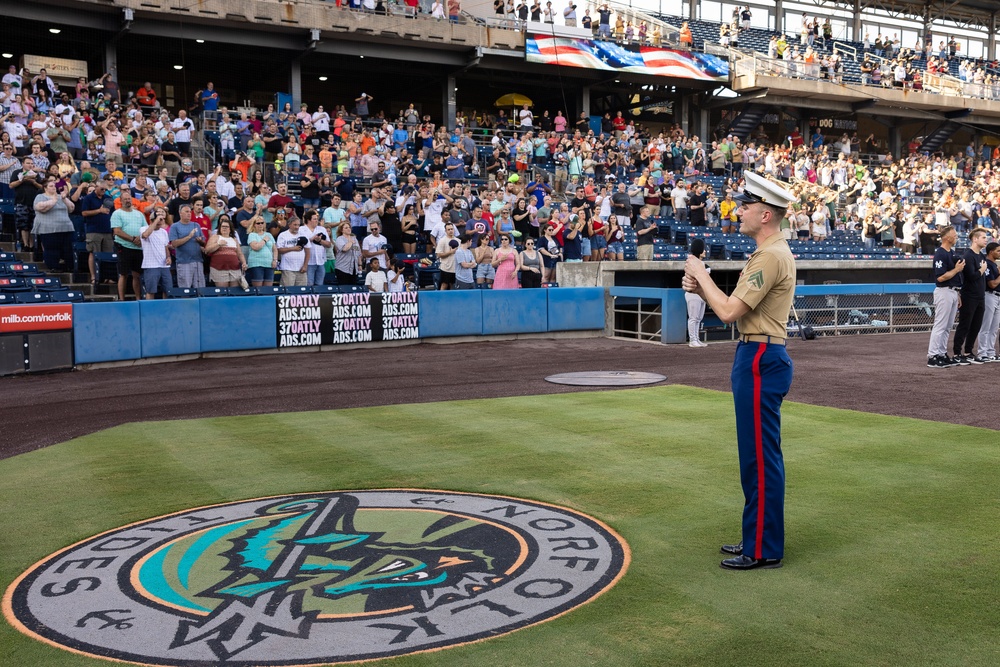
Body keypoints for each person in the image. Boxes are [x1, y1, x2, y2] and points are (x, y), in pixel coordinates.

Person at [683, 171, 797, 570]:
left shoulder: (770, 255)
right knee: (755, 457)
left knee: (760, 459)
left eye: (746, 206)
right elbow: (733, 305)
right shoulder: (771, 251)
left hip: (760, 358)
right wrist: (703, 288)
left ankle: (764, 548)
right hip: (759, 356)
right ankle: (757, 536)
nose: (739, 211)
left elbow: (731, 311)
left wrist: (699, 275)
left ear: (765, 214)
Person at [926, 225, 965, 368]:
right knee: (940, 325)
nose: (956, 237)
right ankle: (932, 355)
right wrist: (957, 269)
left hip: (953, 291)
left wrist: (958, 293)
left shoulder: (951, 252)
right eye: (954, 235)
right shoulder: (941, 253)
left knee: (948, 326)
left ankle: (941, 353)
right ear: (947, 238)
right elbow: (940, 277)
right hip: (944, 291)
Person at [953, 227, 989, 364]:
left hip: (980, 296)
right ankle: (957, 352)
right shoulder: (968, 256)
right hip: (969, 296)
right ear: (975, 239)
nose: (986, 240)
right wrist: (982, 270)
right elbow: (971, 276)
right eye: (983, 237)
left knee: (976, 325)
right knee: (965, 325)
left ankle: (968, 352)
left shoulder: (981, 255)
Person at [31, 179, 76, 272]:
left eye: (54, 186)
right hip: (49, 229)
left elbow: (71, 208)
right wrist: (53, 200)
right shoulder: (40, 196)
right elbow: (40, 207)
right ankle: (54, 266)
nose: (54, 188)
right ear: (45, 188)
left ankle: (69, 266)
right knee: (52, 249)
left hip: (66, 228)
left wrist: (64, 199)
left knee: (68, 249)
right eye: (51, 186)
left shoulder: (61, 196)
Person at [111, 191, 146, 300]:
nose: (128, 200)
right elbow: (117, 231)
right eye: (125, 199)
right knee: (123, 274)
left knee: (137, 275)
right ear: (120, 201)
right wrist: (132, 239)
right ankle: (121, 299)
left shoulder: (139, 214)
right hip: (123, 246)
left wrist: (139, 239)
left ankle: (138, 298)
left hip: (138, 247)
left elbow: (146, 229)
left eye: (129, 199)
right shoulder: (117, 213)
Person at [168, 205, 207, 289]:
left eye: (190, 212)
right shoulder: (175, 226)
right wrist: (189, 236)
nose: (189, 214)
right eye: (186, 211)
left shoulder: (196, 225)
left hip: (198, 261)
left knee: (200, 289)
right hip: (184, 262)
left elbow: (204, 243)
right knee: (185, 289)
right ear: (180, 213)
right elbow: (174, 244)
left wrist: (200, 241)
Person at [139, 208, 172, 298]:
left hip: (164, 266)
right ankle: (149, 311)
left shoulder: (164, 232)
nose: (160, 222)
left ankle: (166, 311)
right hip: (150, 266)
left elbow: (166, 247)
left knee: (168, 291)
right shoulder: (143, 229)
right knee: (150, 291)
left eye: (162, 220)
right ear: (152, 220)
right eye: (158, 220)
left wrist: (168, 257)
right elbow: (145, 235)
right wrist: (156, 220)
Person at [206, 218, 247, 288]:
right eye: (222, 226)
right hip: (219, 268)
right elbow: (207, 250)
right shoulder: (215, 237)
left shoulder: (234, 239)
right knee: (223, 292)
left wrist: (244, 263)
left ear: (230, 229)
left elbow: (239, 253)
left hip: (234, 269)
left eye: (226, 227)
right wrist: (218, 244)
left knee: (234, 292)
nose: (224, 228)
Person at [686, 239, 709, 347]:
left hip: (701, 293)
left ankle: (697, 338)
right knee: (693, 317)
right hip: (692, 293)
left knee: (699, 318)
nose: (705, 251)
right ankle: (692, 340)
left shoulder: (702, 263)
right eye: (703, 249)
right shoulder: (692, 261)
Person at [277, 217, 310, 287]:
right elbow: (279, 250)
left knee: (302, 292)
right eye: (295, 225)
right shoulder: (283, 235)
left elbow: (308, 251)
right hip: (287, 269)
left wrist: (305, 266)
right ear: (289, 225)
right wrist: (292, 248)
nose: (297, 227)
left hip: (301, 269)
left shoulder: (303, 235)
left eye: (298, 225)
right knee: (288, 291)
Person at [246, 216, 277, 287]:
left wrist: (275, 260)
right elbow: (256, 247)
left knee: (268, 288)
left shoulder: (269, 234)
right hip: (256, 264)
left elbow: (275, 249)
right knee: (258, 288)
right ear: (254, 225)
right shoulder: (252, 235)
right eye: (258, 223)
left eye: (262, 223)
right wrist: (264, 240)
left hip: (269, 264)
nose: (260, 225)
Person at [334, 220, 362, 285]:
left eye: (349, 227)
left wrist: (359, 264)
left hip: (354, 268)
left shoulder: (354, 238)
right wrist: (350, 242)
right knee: (344, 288)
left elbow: (358, 253)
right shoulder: (339, 239)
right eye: (346, 228)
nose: (348, 229)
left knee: (353, 288)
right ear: (342, 230)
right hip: (342, 268)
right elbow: (345, 249)